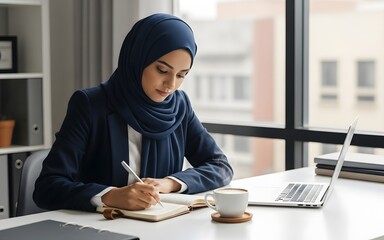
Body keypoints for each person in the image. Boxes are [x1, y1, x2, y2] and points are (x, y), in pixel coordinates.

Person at [33, 13, 234, 212]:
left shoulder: (179, 107)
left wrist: (170, 183)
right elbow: (48, 187)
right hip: (101, 229)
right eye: (162, 71)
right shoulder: (90, 105)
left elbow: (220, 166)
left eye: (181, 75)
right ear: (138, 58)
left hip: (161, 228)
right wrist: (108, 196)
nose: (171, 85)